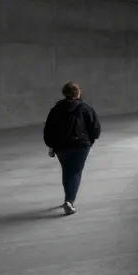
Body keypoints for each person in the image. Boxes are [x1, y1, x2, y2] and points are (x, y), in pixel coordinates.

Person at [42, 82, 101, 215]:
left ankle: (67, 199)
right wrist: (89, 141)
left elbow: (48, 129)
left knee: (67, 170)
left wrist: (51, 145)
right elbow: (95, 128)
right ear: (78, 92)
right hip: (80, 145)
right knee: (75, 172)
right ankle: (70, 201)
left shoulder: (56, 109)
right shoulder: (85, 108)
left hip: (61, 146)